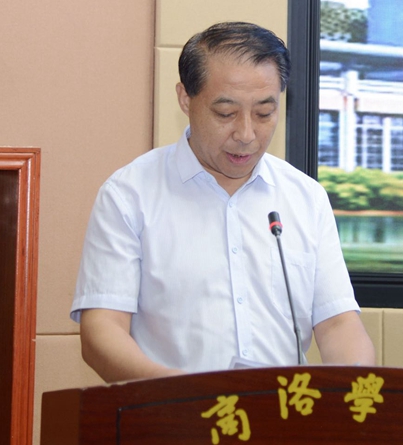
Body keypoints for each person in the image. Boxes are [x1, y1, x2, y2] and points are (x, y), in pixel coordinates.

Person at [70, 21, 374, 383]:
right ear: (185, 99)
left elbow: (338, 323)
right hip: (173, 411)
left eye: (264, 113)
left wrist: (352, 393)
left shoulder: (305, 197)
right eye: (226, 113)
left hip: (284, 412)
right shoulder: (129, 195)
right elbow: (102, 330)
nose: (246, 134)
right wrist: (179, 393)